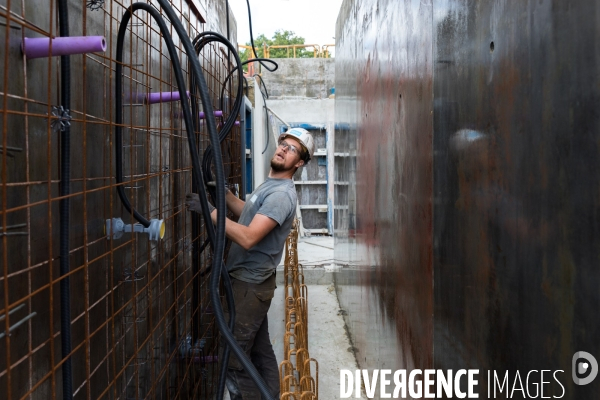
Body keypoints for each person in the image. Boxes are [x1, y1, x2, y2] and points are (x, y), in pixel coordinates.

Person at [185, 127, 315, 399]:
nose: (283, 149)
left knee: (233, 360)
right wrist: (226, 196)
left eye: (292, 149)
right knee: (259, 350)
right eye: (283, 144)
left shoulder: (281, 195)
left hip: (249, 287)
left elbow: (248, 237)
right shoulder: (272, 185)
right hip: (252, 283)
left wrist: (211, 212)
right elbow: (251, 213)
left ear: (299, 163)